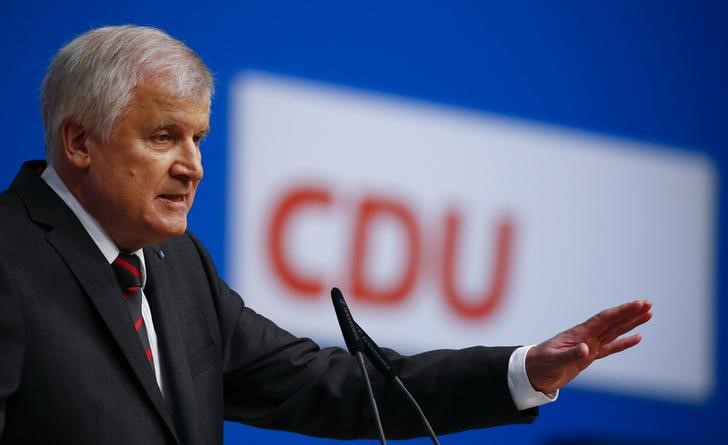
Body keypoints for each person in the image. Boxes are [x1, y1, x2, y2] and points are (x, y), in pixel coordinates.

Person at [0, 25, 652, 444]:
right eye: (164, 136)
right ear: (80, 140)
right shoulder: (9, 255)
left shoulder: (175, 264)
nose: (193, 165)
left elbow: (327, 385)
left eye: (199, 137)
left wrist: (520, 370)